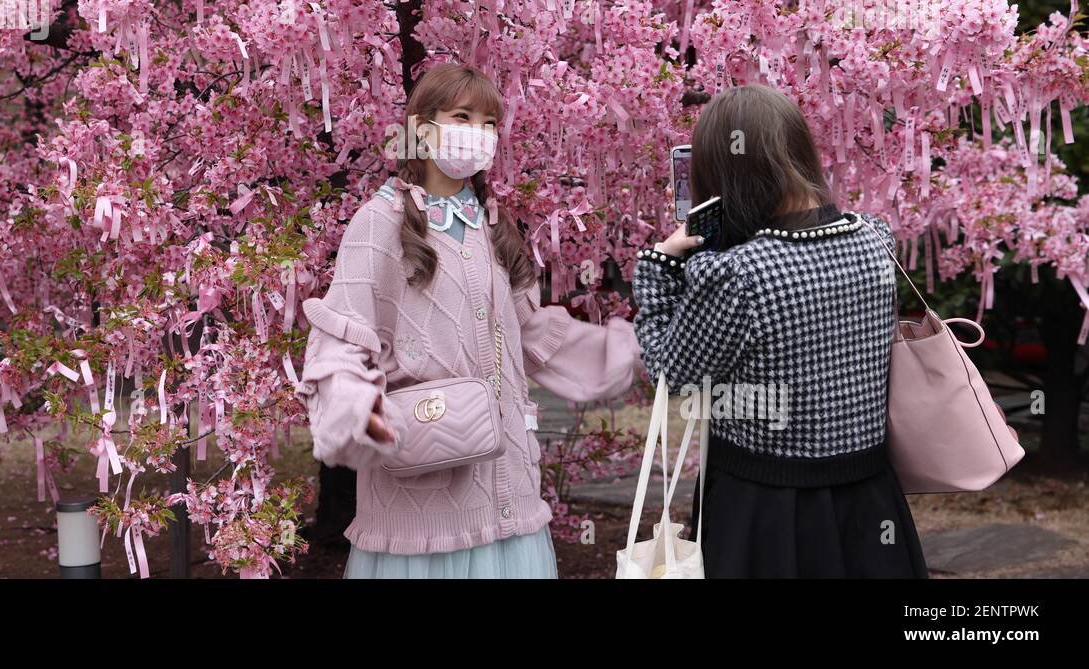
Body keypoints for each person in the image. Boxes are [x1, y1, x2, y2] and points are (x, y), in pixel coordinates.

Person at [296, 62, 643, 578]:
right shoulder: (380, 222)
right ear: (420, 127)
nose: (477, 135)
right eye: (462, 116)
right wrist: (354, 408)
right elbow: (341, 336)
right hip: (422, 495)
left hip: (509, 489)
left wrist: (632, 345)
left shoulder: (493, 226)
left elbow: (532, 335)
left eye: (488, 123)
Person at [631, 83, 929, 577]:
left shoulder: (737, 273)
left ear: (725, 172)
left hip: (765, 503)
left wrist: (661, 264)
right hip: (868, 493)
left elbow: (673, 374)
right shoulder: (875, 239)